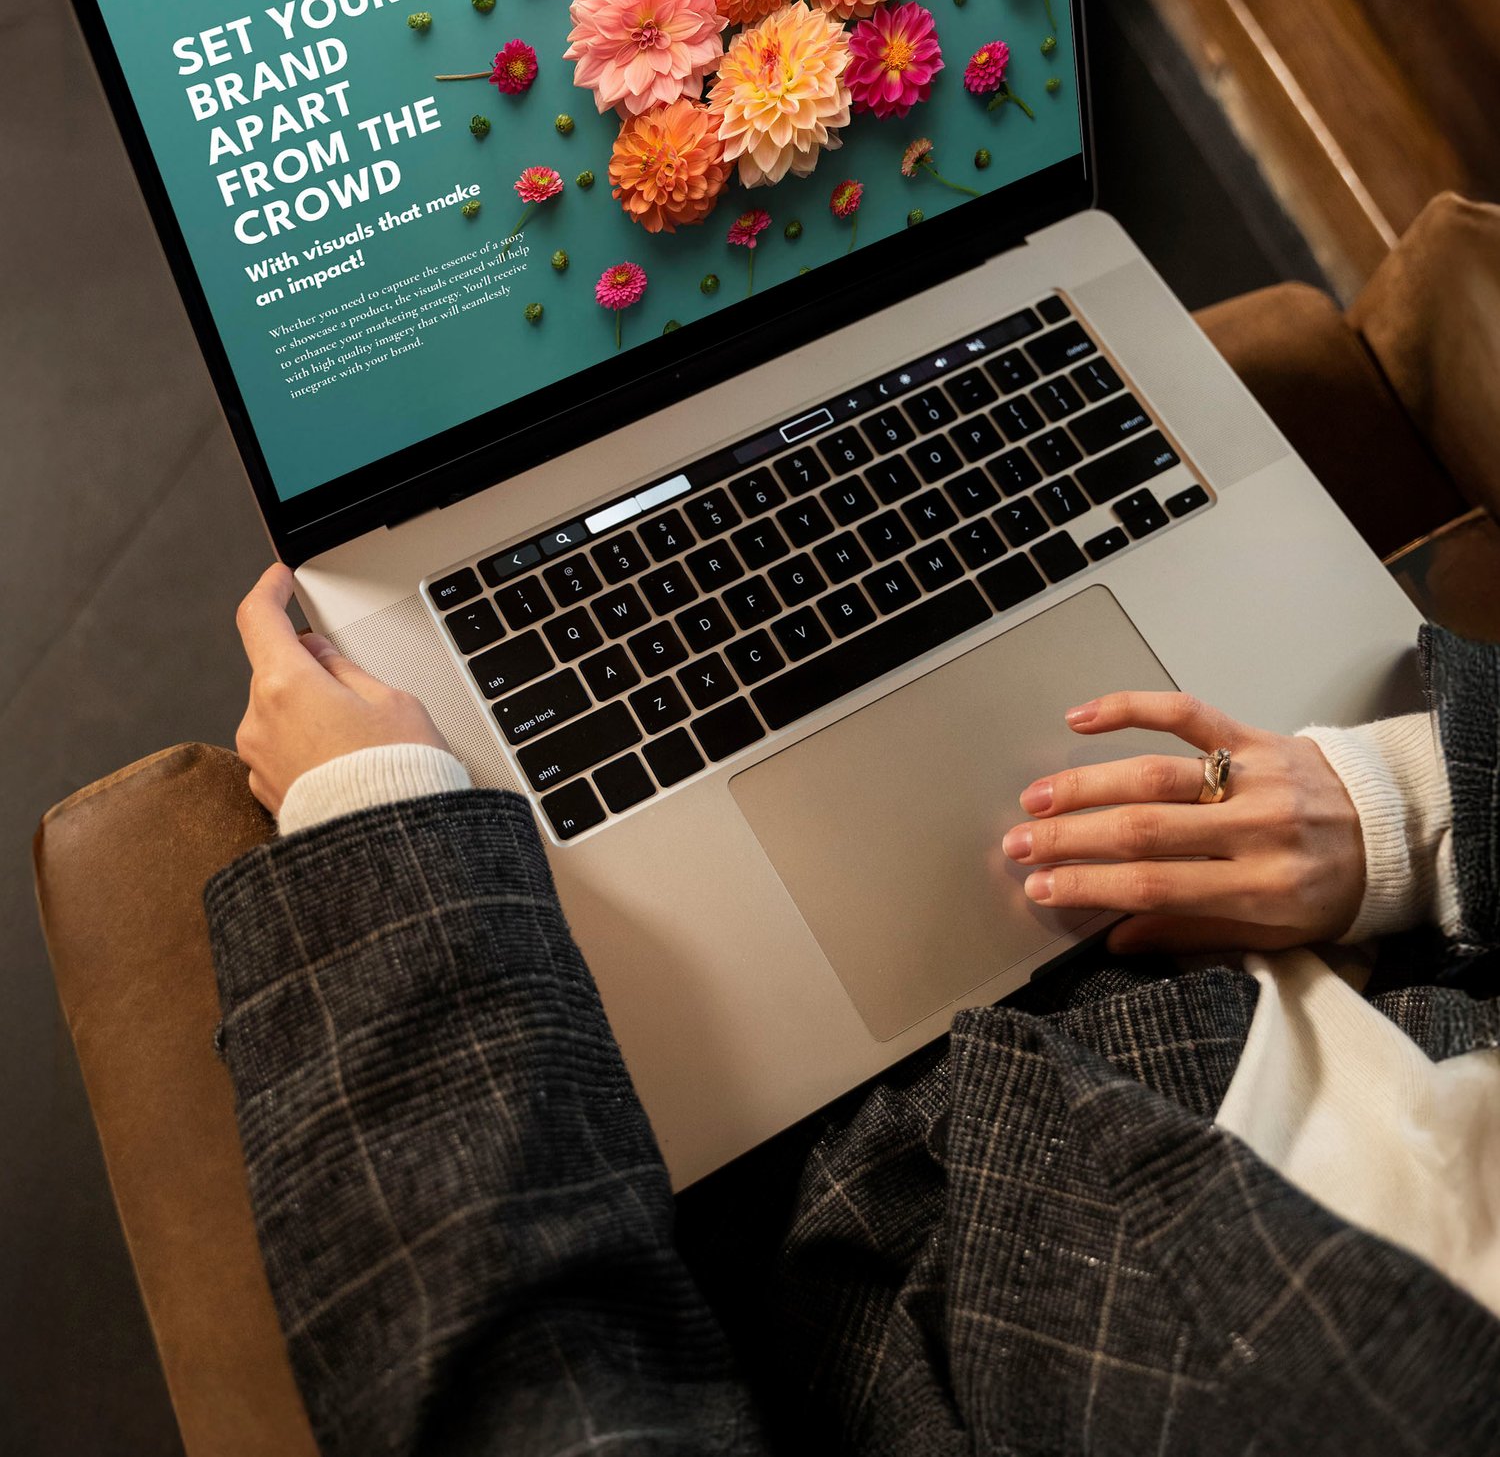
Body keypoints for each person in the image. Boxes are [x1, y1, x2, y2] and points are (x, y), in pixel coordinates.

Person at [210, 562, 1500, 1456]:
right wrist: (1412, 813)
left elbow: (553, 1416)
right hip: (1393, 932)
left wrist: (377, 818)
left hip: (892, 1193)